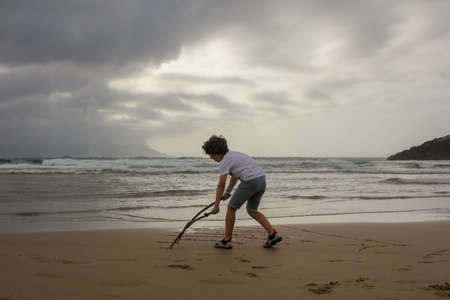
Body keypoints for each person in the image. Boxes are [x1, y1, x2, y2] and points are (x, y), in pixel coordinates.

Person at [202, 135, 282, 249]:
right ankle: (273, 234)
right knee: (252, 210)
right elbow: (234, 176)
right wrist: (228, 192)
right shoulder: (235, 155)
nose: (211, 158)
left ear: (217, 152)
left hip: (250, 182)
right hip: (261, 180)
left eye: (211, 155)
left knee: (231, 208)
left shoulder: (225, 160)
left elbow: (221, 184)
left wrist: (216, 205)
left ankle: (227, 241)